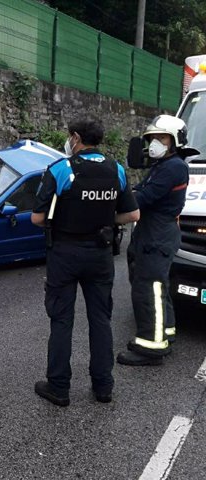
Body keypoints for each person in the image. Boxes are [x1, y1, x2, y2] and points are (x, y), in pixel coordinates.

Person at [31, 118, 140, 406]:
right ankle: (103, 387)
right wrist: (104, 220)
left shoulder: (61, 169)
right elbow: (132, 215)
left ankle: (59, 388)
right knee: (100, 320)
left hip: (65, 254)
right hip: (100, 254)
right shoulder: (115, 169)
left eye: (70, 136)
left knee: (62, 320)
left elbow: (37, 218)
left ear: (76, 138)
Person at [117, 115, 191, 366]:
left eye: (161, 138)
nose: (154, 143)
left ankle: (151, 345)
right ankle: (165, 332)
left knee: (148, 289)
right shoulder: (164, 165)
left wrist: (118, 200)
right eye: (152, 139)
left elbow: (144, 197)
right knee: (158, 288)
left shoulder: (173, 167)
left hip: (157, 234)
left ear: (174, 141)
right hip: (155, 232)